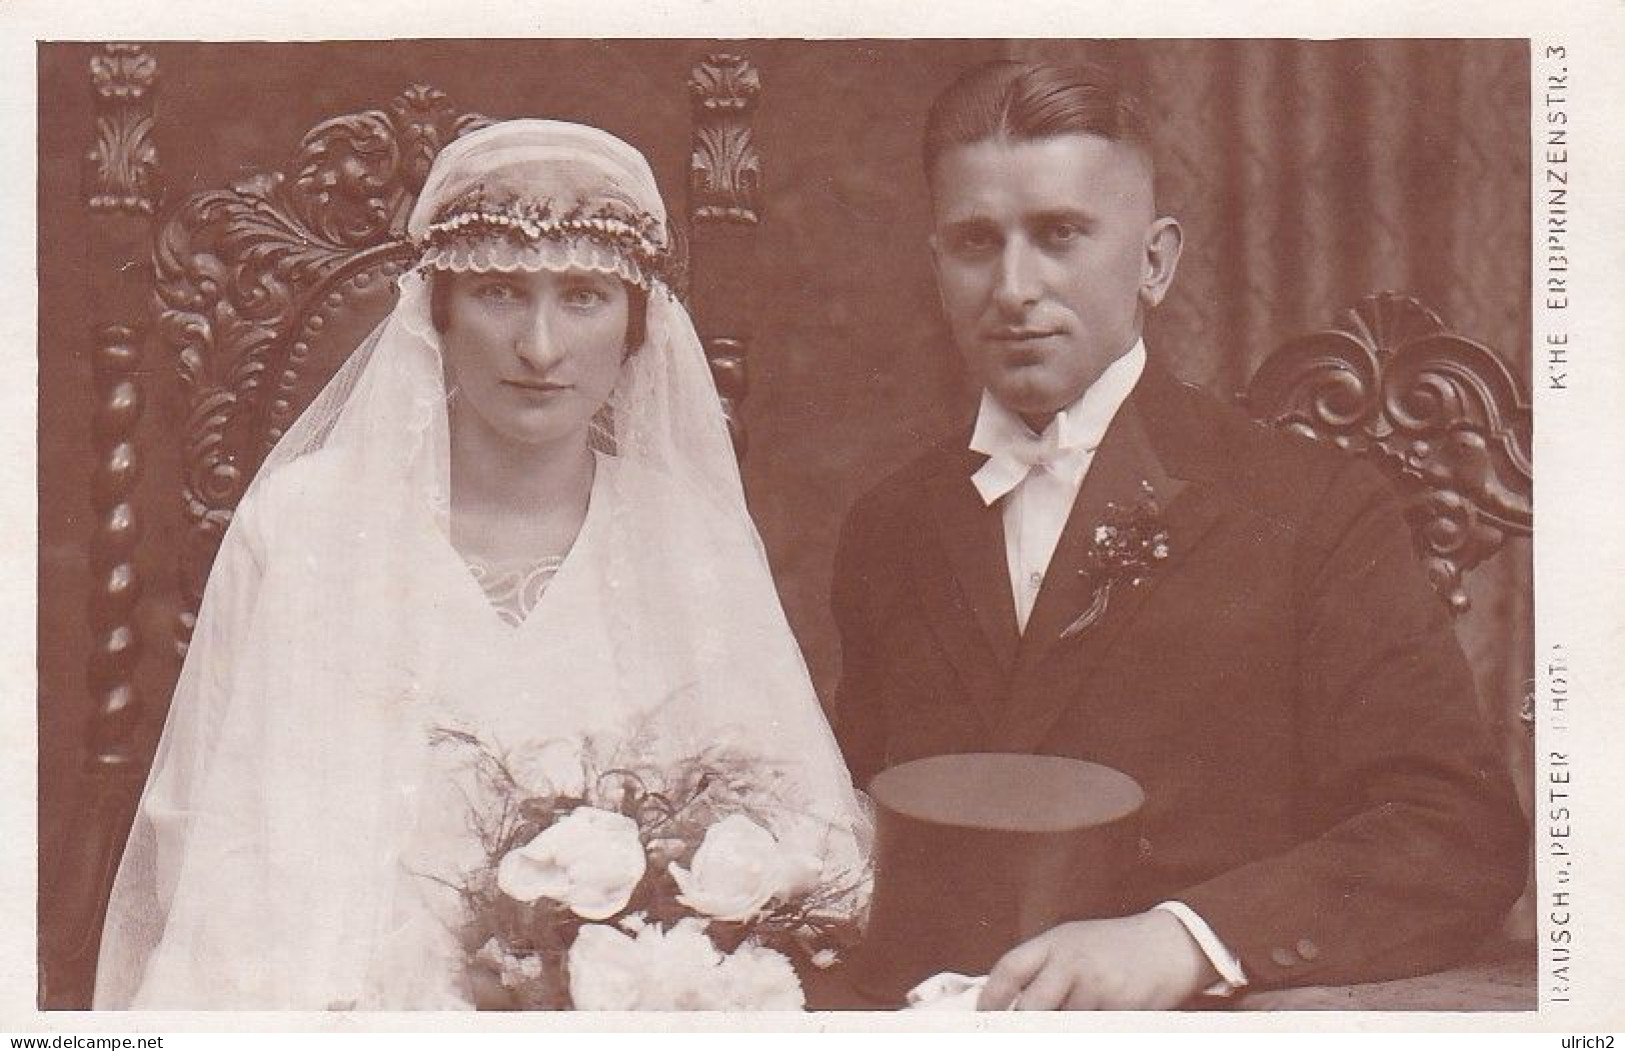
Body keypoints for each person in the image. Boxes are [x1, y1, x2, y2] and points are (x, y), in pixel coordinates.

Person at [95, 119, 870, 1009]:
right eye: (500, 292)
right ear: (438, 311)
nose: (540, 347)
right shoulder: (306, 522)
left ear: (635, 326)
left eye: (583, 295)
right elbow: (208, 832)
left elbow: (786, 838)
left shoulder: (689, 539)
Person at [830, 60, 1528, 1010]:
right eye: (974, 242)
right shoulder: (889, 528)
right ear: (935, 267)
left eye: (1060, 235)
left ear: (1155, 261)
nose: (1014, 285)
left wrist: (1186, 940)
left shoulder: (1311, 506)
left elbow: (1455, 832)